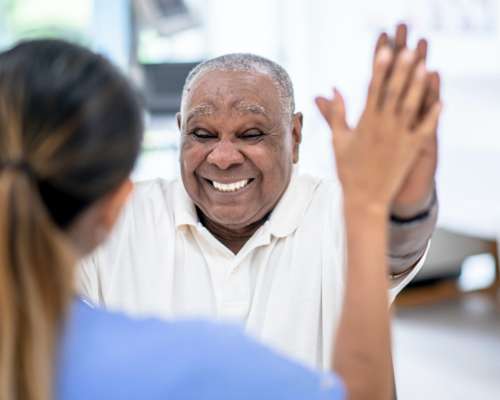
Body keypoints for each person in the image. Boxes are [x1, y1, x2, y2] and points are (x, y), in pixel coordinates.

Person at [0, 34, 439, 399]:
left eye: (251, 134)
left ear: (296, 135)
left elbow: (398, 246)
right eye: (202, 134)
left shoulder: (340, 210)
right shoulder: (122, 219)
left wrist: (404, 197)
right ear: (178, 132)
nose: (224, 157)